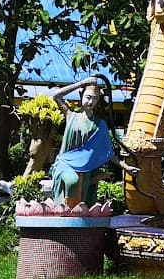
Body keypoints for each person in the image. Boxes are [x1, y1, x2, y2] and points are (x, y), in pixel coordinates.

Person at [48, 76, 114, 207]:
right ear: (81, 95)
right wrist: (81, 83)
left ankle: (79, 221)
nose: (91, 101)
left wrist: (126, 167)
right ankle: (67, 213)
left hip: (87, 167)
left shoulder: (99, 124)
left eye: (95, 98)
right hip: (65, 164)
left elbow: (107, 152)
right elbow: (56, 96)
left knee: (85, 203)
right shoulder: (71, 116)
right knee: (72, 180)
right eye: (88, 97)